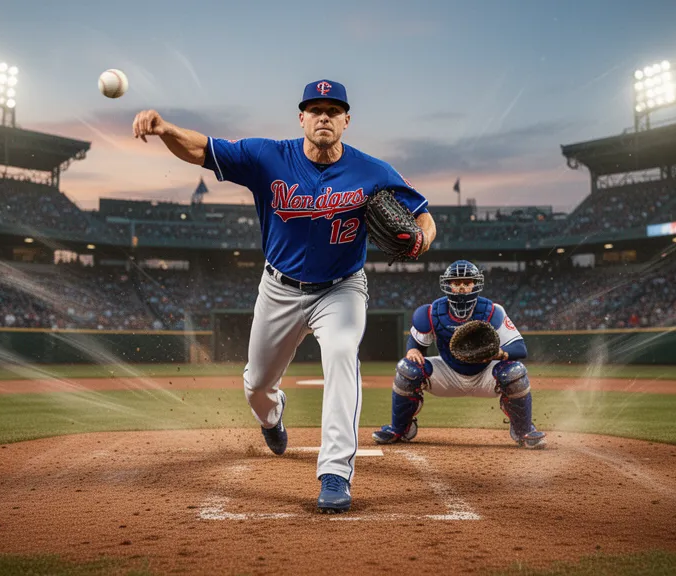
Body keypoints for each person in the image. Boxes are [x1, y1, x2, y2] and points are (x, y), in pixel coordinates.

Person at [133, 79, 437, 513]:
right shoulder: (267, 156)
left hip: (341, 288)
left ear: (347, 120)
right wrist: (165, 129)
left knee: (341, 354)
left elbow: (424, 216)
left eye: (334, 110)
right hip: (278, 288)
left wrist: (422, 240)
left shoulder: (374, 171)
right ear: (302, 118)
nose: (324, 116)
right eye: (315, 109)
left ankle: (334, 472)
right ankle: (271, 417)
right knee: (257, 384)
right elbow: (203, 150)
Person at [371, 260, 547, 449]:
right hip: (447, 372)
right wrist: (413, 349)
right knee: (407, 369)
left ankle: (524, 430)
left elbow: (520, 348)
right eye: (456, 283)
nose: (462, 287)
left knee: (515, 372)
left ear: (475, 284)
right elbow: (417, 343)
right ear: (448, 285)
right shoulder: (432, 312)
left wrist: (500, 353)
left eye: (467, 282)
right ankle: (399, 429)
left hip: (484, 374)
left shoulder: (492, 311)